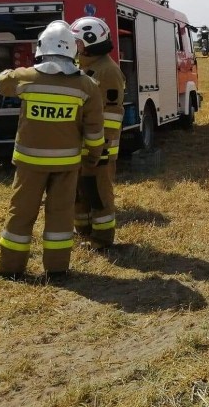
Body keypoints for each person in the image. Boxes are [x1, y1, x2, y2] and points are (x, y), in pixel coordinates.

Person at [0, 21, 105, 279]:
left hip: (30, 164)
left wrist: (18, 69)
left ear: (41, 47)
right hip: (67, 165)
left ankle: (10, 266)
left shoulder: (26, 78)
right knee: (61, 215)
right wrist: (93, 157)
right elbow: (95, 130)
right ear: (73, 51)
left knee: (20, 212)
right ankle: (56, 268)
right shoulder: (86, 86)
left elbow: (2, 82)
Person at [70, 16, 126, 248]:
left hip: (100, 147)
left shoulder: (107, 71)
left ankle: (102, 238)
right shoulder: (84, 66)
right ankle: (83, 231)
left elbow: (112, 114)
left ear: (91, 41)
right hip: (82, 144)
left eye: (78, 42)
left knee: (98, 192)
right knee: (80, 191)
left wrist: (101, 146)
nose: (74, 46)